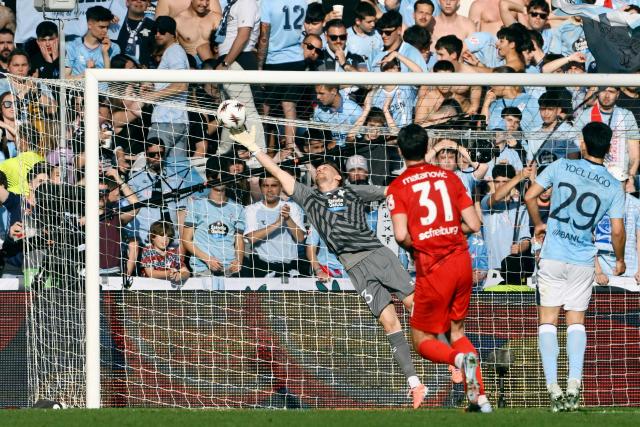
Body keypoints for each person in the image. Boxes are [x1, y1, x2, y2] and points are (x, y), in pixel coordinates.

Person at [229, 126, 428, 408]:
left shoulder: (353, 191)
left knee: (414, 306)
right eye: (318, 168)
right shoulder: (309, 198)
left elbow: (393, 190)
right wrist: (256, 148)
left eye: (326, 167)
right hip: (354, 268)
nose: (320, 169)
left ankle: (451, 360)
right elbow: (278, 173)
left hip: (377, 255)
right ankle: (415, 384)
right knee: (388, 322)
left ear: (338, 175)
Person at [386, 123, 492, 413]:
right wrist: (448, 233)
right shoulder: (450, 178)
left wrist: (424, 242)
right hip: (461, 261)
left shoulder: (397, 186)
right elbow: (474, 224)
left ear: (400, 150)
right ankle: (478, 397)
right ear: (427, 147)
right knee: (457, 332)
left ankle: (457, 361)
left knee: (421, 339)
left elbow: (399, 234)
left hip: (433, 266)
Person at [524, 121, 626, 412]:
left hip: (553, 256)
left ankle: (552, 386)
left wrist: (539, 223)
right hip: (582, 260)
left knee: (547, 321)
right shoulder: (613, 185)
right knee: (576, 322)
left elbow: (530, 195)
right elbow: (617, 230)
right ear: (607, 149)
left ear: (583, 143)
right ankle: (574, 383)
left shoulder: (560, 166)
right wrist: (619, 259)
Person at [182, 158, 246, 280]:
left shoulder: (238, 208)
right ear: (208, 178)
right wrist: (207, 259)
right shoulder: (196, 204)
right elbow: (186, 239)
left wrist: (238, 261)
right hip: (203, 269)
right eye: (214, 175)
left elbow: (239, 241)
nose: (219, 178)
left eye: (223, 175)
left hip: (229, 269)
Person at [256, 0, 306, 149]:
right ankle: (290, 146)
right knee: (289, 107)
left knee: (266, 106)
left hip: (274, 60)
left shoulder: (268, 2)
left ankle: (260, 146)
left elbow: (264, 36)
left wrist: (259, 66)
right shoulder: (303, 2)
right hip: (296, 59)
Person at [574, 87, 640, 193]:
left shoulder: (627, 115)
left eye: (611, 92)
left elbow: (634, 155)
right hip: (591, 179)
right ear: (598, 92)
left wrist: (630, 178)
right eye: (604, 91)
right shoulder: (584, 116)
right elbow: (578, 150)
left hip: (620, 179)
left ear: (618, 94)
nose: (607, 95)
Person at [143, 16, 190, 157]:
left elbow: (181, 85)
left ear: (172, 33)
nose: (157, 34)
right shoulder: (173, 52)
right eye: (155, 31)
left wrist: (151, 96)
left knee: (153, 166)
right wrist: (153, 87)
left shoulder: (174, 51)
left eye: (162, 31)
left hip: (166, 122)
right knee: (175, 173)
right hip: (178, 121)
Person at [244, 175, 306, 278]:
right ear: (260, 188)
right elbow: (251, 238)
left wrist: (287, 219)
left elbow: (300, 238)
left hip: (290, 266)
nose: (269, 190)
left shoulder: (292, 207)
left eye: (274, 185)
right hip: (262, 266)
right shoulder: (251, 209)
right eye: (265, 186)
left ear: (281, 187)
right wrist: (277, 223)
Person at [594, 166, 640, 286]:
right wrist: (597, 271)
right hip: (601, 272)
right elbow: (588, 239)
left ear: (627, 182)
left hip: (631, 270)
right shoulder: (594, 204)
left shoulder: (636, 205)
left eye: (619, 182)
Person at [526, 91, 581, 167]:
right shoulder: (533, 132)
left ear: (558, 111)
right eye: (543, 109)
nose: (546, 113)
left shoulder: (569, 131)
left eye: (550, 109)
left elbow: (573, 162)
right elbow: (531, 163)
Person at [64, 6, 121, 78]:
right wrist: (86, 75)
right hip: (80, 88)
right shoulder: (72, 45)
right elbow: (65, 77)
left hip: (103, 89)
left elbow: (112, 80)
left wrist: (105, 54)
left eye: (107, 27)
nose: (105, 31)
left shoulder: (114, 48)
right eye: (101, 27)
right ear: (89, 25)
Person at [116, 0, 156, 68]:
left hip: (143, 74)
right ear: (127, 3)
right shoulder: (116, 24)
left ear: (148, 4)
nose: (139, 1)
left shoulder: (154, 26)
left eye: (143, 0)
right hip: (118, 72)